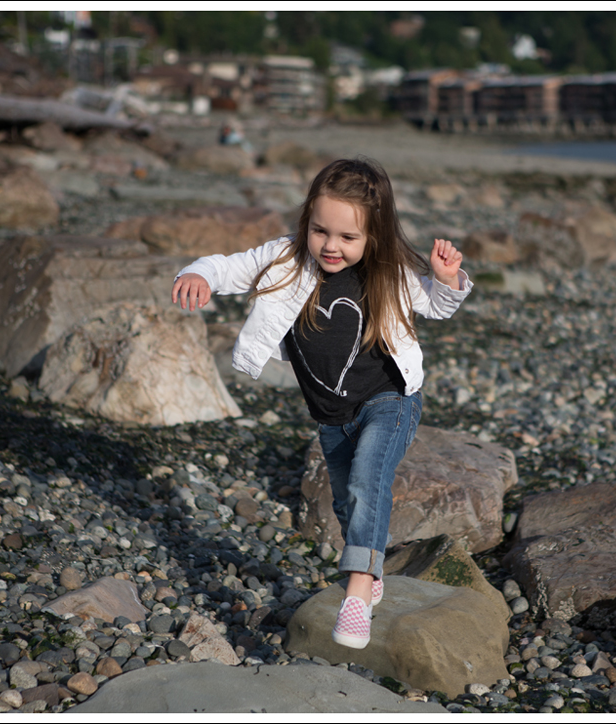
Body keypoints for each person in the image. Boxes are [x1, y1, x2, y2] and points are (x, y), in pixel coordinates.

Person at [171, 157, 472, 649]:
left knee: (366, 480)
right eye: (320, 231)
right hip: (331, 416)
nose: (331, 246)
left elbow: (438, 305)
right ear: (307, 221)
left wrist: (448, 278)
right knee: (346, 502)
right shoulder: (286, 260)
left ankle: (357, 592)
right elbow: (227, 265)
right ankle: (370, 568)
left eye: (347, 238)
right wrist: (199, 275)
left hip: (391, 399)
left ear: (374, 235)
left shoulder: (389, 274)